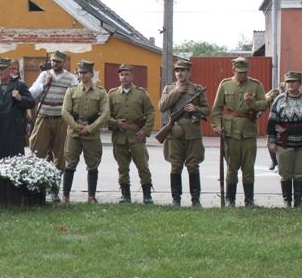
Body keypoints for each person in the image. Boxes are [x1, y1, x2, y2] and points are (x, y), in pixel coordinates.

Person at [211, 56, 269, 207]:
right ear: (234, 70)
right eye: (239, 72)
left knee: (248, 167)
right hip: (230, 132)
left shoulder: (256, 85)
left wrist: (252, 103)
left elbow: (264, 104)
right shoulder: (225, 85)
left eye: (244, 72)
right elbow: (217, 108)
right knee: (231, 167)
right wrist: (216, 125)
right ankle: (230, 200)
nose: (242, 75)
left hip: (248, 131)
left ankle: (249, 200)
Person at [158, 57, 210, 207]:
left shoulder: (197, 89)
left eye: (183, 70)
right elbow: (162, 107)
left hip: (193, 133)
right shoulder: (169, 89)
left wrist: (196, 109)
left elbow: (207, 110)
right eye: (177, 70)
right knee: (175, 166)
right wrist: (176, 92)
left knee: (193, 166)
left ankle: (195, 200)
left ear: (189, 72)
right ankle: (176, 199)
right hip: (174, 133)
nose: (179, 73)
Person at [28, 51, 78, 201]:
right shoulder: (44, 75)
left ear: (64, 63)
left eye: (58, 62)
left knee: (60, 155)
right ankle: (38, 189)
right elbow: (31, 94)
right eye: (53, 61)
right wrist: (45, 85)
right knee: (38, 151)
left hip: (61, 119)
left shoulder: (71, 78)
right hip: (43, 117)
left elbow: (76, 97)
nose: (55, 64)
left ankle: (54, 189)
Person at [266, 71, 302, 207]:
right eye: (288, 82)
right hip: (285, 142)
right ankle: (287, 201)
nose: (291, 84)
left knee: (300, 172)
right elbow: (272, 122)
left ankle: (298, 201)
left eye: (294, 81)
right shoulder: (279, 100)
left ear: (300, 83)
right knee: (285, 172)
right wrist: (271, 141)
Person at [60, 60, 110, 203]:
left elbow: (105, 113)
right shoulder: (71, 90)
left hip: (91, 134)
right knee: (70, 164)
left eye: (85, 72)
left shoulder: (101, 92)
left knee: (93, 165)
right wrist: (76, 127)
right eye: (80, 72)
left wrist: (91, 128)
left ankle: (91, 196)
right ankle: (66, 195)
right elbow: (65, 111)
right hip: (74, 133)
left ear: (91, 73)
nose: (82, 75)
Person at [107, 64, 155, 203]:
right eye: (122, 74)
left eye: (127, 74)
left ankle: (147, 195)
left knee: (143, 166)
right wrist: (116, 123)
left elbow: (151, 112)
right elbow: (105, 115)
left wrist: (145, 131)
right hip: (119, 136)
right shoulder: (112, 94)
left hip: (136, 135)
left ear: (132, 76)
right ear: (119, 76)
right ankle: (125, 195)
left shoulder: (141, 93)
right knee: (122, 168)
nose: (124, 77)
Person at [0, 57, 35, 161]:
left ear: (9, 69)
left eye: (3, 69)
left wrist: (20, 98)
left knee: (15, 161)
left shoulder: (19, 84)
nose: (0, 72)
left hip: (15, 129)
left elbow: (31, 103)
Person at [264, 83, 286, 170]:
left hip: (284, 122)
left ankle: (282, 163)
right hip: (273, 121)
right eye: (281, 88)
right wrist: (267, 98)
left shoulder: (290, 96)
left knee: (283, 142)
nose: (283, 90)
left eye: (284, 88)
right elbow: (264, 96)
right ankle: (274, 161)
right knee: (269, 142)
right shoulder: (275, 93)